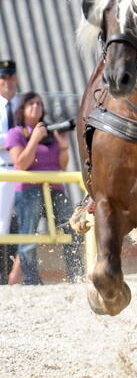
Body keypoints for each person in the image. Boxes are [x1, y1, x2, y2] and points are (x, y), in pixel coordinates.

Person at [4, 92, 82, 284]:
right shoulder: (16, 133)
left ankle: (76, 275)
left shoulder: (48, 131)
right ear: (22, 109)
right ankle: (31, 280)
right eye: (31, 104)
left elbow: (62, 165)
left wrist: (63, 145)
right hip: (29, 189)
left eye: (39, 103)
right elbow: (21, 163)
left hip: (55, 187)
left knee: (70, 230)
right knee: (29, 235)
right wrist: (34, 139)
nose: (36, 107)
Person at [0, 59, 19, 283]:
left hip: (23, 168)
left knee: (24, 224)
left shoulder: (21, 104)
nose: (7, 82)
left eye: (10, 77)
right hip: (3, 169)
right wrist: (16, 139)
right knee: (2, 225)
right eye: (3, 78)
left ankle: (21, 274)